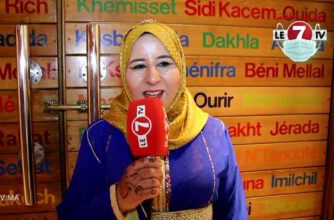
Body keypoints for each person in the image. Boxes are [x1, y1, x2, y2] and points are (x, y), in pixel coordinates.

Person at [57, 20, 247, 220]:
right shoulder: (100, 137)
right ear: (123, 74)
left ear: (181, 69)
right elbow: (71, 215)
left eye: (164, 63)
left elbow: (234, 211)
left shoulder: (213, 132)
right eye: (139, 66)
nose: (152, 78)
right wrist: (119, 200)